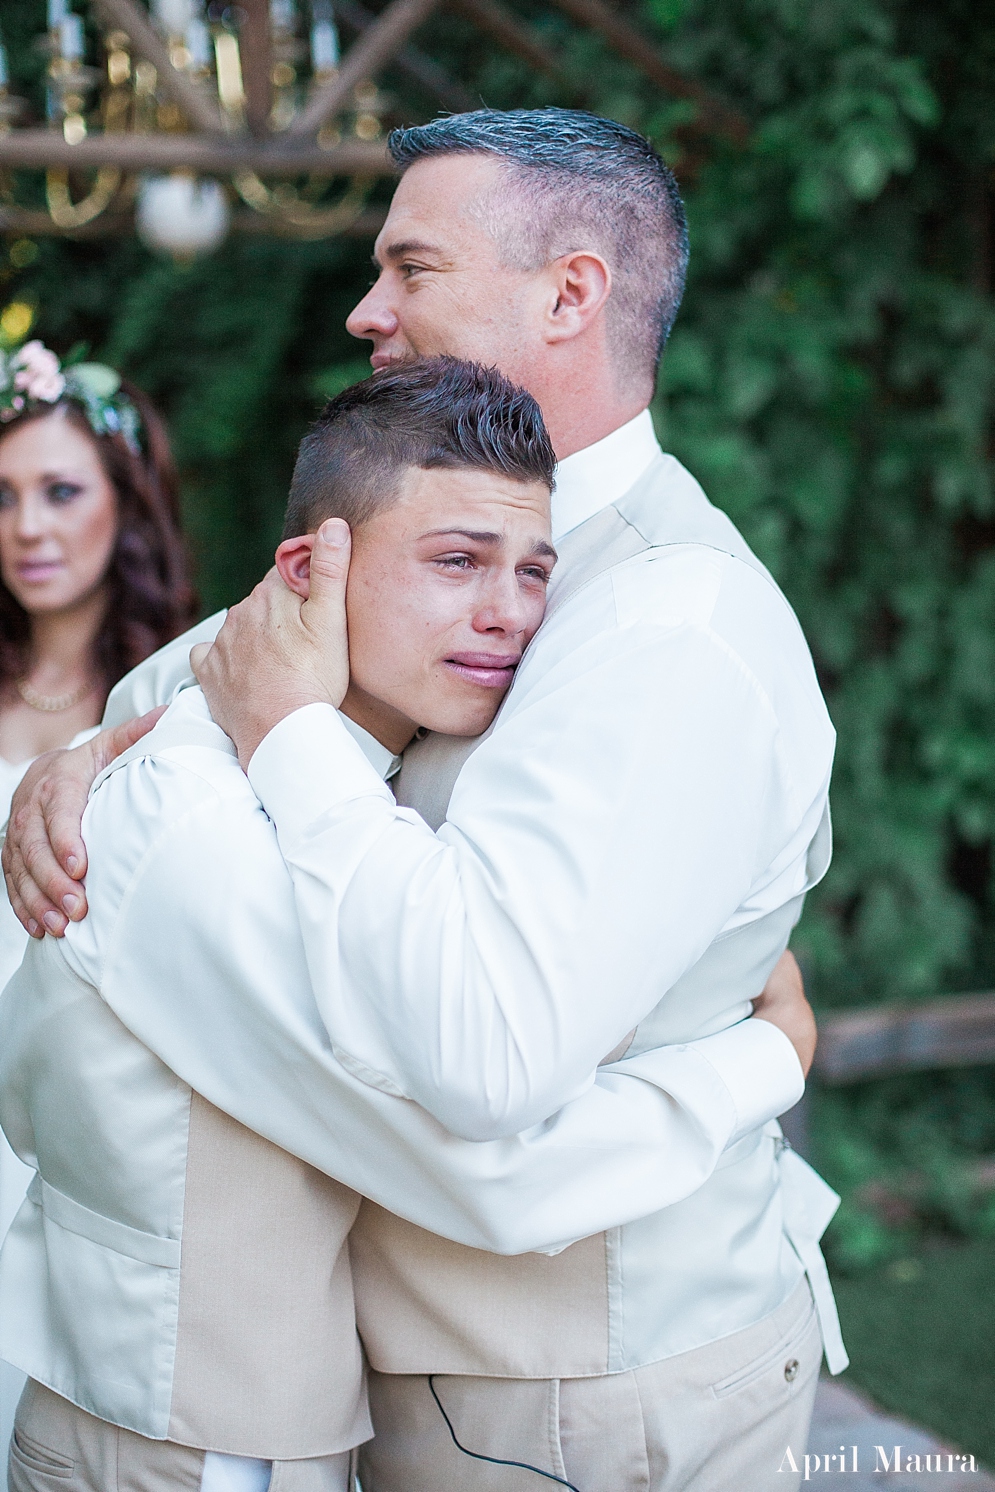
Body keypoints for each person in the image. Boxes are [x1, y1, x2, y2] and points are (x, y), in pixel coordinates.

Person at [5, 111, 842, 1491]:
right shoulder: (439, 543)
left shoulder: (662, 623)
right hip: (380, 1384)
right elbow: (235, 663)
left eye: (411, 267)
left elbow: (482, 1067)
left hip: (577, 1393)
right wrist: (93, 753)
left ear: (567, 292)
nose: (363, 308)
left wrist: (274, 748)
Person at [0, 337, 196, 1457]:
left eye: (60, 491)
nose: (28, 525)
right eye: (5, 495)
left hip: (79, 1109)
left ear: (124, 507)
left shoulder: (175, 701)